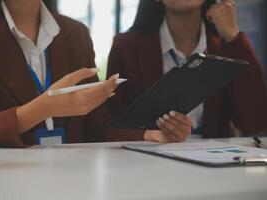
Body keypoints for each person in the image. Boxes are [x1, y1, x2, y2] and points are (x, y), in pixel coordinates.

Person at [0, 0, 128, 147]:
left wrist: (143, 136)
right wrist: (39, 110)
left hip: (72, 175)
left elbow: (98, 127)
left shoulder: (76, 33)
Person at [107, 0, 267, 140]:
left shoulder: (226, 46)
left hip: (212, 163)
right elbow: (112, 126)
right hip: (148, 161)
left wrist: (232, 36)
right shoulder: (126, 47)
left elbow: (253, 122)